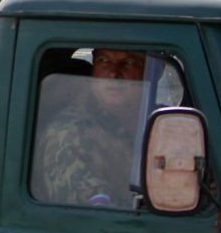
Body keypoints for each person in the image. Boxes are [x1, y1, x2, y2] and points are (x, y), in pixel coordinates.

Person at [32, 48, 147, 208]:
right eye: (104, 61)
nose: (114, 74)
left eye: (128, 63)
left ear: (149, 70)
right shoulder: (69, 133)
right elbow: (96, 218)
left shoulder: (151, 120)